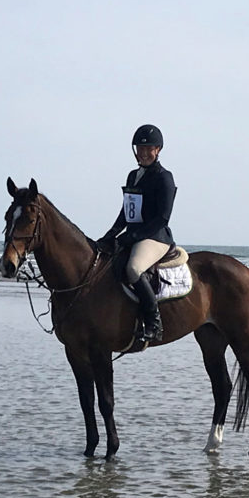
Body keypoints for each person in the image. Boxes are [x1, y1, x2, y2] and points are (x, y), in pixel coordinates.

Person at [97, 124, 176, 342]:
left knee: (133, 268)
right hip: (134, 235)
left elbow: (162, 218)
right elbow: (126, 212)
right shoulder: (133, 176)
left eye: (148, 148)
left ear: (157, 150)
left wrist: (131, 237)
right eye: (139, 149)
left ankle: (154, 323)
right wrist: (110, 235)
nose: (143, 153)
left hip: (155, 237)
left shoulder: (164, 177)